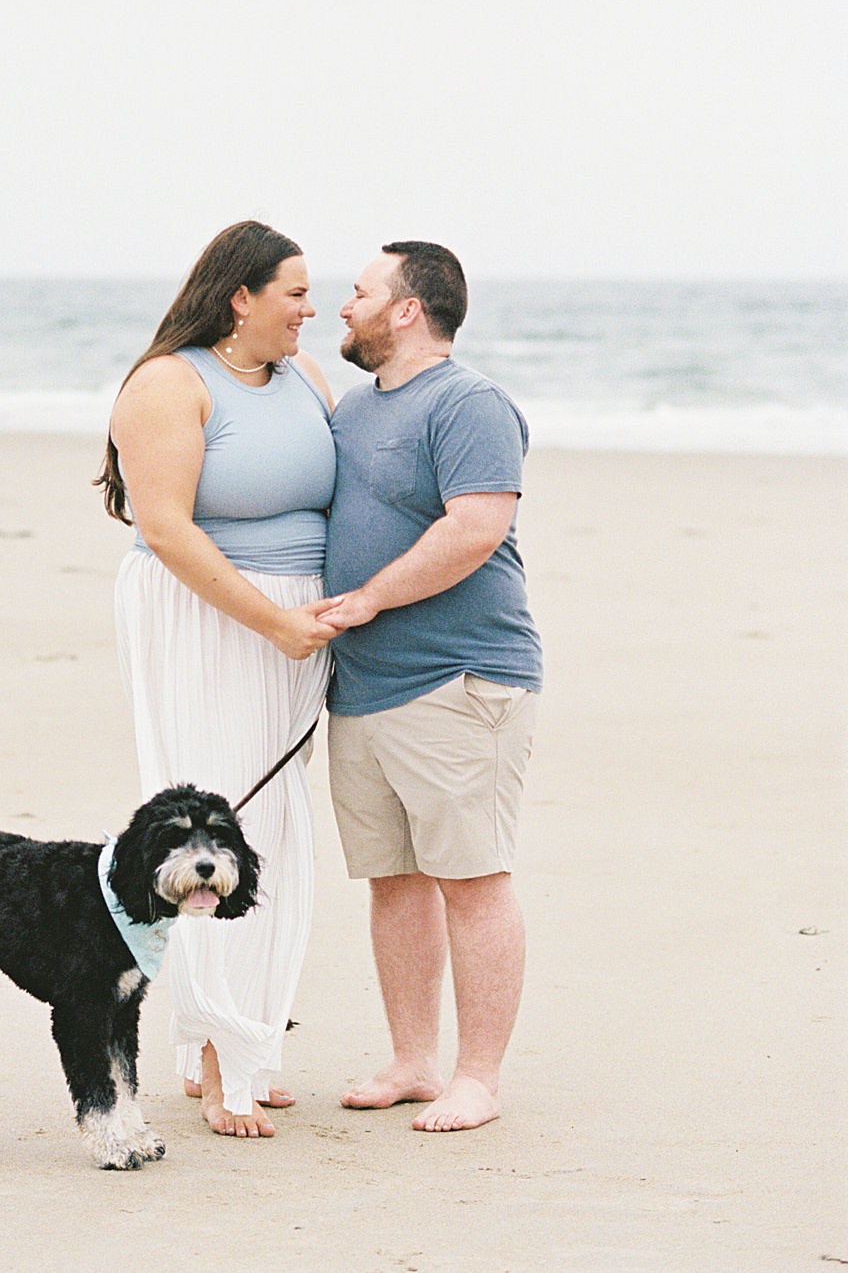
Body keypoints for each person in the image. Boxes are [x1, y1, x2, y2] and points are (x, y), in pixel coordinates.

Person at [100, 221, 337, 1140]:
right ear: (241, 296)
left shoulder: (306, 378)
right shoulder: (169, 382)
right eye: (295, 291)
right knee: (210, 820)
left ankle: (249, 1037)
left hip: (294, 626)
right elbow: (166, 527)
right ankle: (211, 1056)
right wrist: (274, 619)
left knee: (277, 823)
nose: (311, 309)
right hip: (205, 615)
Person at [315, 241, 543, 1132]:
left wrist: (368, 597)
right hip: (362, 686)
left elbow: (478, 527)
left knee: (471, 877)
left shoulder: (469, 402)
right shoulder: (356, 410)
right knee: (394, 880)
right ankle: (413, 1059)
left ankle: (476, 1077)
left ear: (407, 309)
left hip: (460, 677)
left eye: (361, 291)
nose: (346, 305)